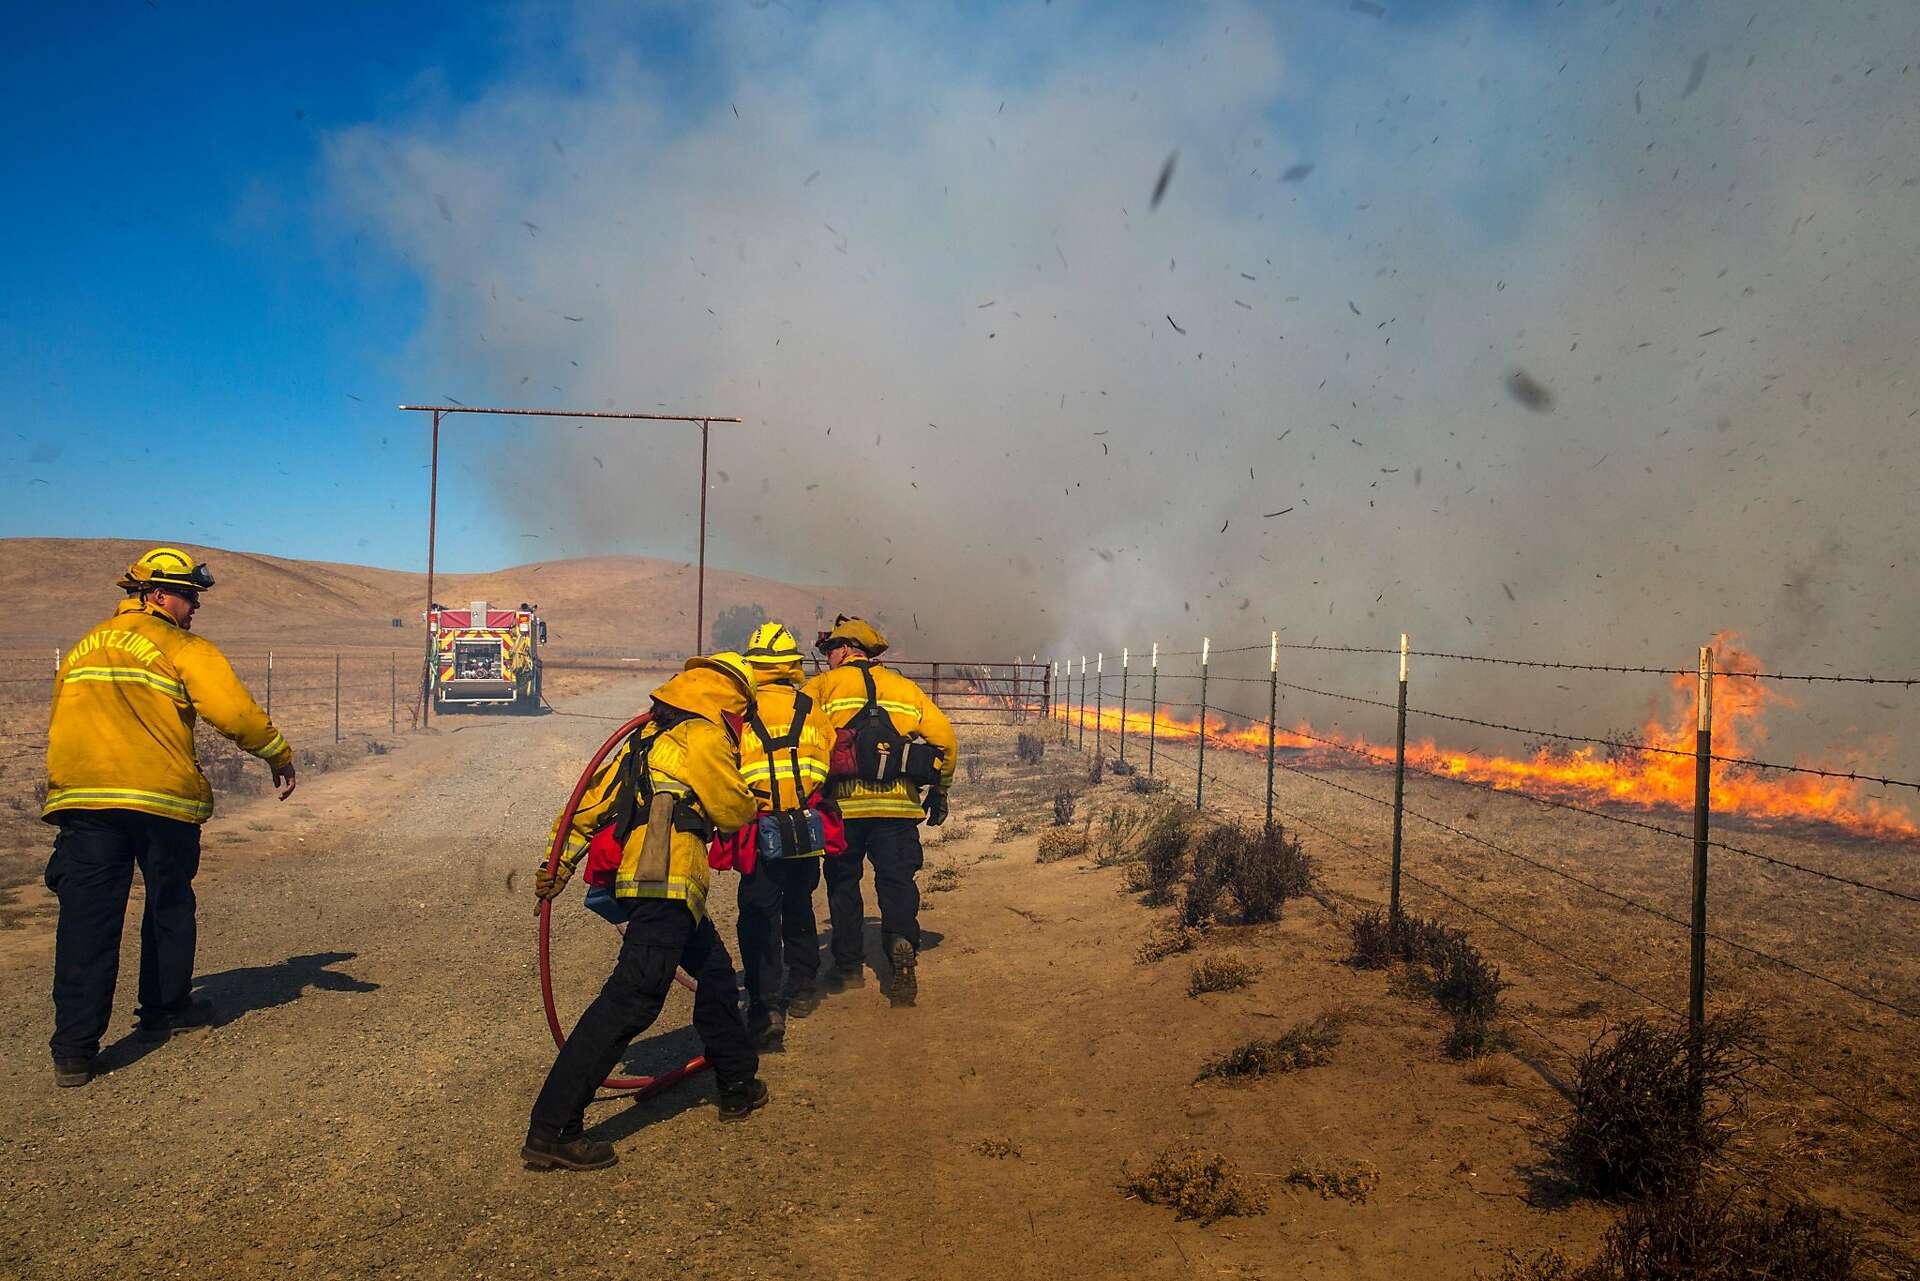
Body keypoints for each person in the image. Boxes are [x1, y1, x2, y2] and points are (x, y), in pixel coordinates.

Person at [42, 547, 297, 1088]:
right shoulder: (180, 644)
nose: (194, 608)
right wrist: (277, 751)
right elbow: (233, 712)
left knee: (86, 922)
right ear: (156, 594)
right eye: (188, 596)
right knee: (169, 906)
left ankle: (74, 1050)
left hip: (84, 803)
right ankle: (164, 1010)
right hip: (159, 801)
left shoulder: (85, 645)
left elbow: (61, 716)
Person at [525, 652, 769, 1171]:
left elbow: (584, 811)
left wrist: (558, 866)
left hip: (651, 886)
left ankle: (736, 1081)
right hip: (668, 884)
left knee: (718, 978)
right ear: (727, 700)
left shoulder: (647, 739)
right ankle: (553, 1128)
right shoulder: (701, 737)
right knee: (632, 1000)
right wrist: (753, 797)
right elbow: (731, 810)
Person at [803, 616, 957, 1008]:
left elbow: (798, 735)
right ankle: (901, 947)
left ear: (845, 649)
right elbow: (946, 739)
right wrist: (940, 789)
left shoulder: (821, 687)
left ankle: (849, 967)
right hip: (898, 808)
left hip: (843, 809)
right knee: (896, 881)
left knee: (843, 885)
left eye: (830, 650)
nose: (829, 658)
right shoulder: (905, 688)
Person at [715, 622, 840, 1050]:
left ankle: (766, 1005)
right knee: (800, 907)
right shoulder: (810, 708)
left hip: (757, 830)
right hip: (803, 827)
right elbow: (826, 757)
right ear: (790, 666)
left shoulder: (738, 715)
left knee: (758, 916)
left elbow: (724, 768)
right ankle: (803, 987)